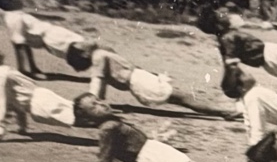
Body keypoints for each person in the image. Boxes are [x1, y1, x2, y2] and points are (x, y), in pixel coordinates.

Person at [72, 94, 270, 162]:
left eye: (98, 100)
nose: (101, 104)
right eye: (94, 107)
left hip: (156, 153)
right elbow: (104, 160)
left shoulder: (110, 122)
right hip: (155, 160)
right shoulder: (107, 128)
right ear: (89, 119)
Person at [63, 42, 236, 119]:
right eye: (81, 45)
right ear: (83, 53)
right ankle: (224, 112)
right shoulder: (98, 58)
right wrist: (92, 103)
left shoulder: (99, 52)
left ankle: (224, 111)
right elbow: (97, 84)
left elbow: (98, 48)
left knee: (184, 98)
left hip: (141, 78)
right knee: (185, 98)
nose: (85, 42)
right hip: (141, 82)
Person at [0, 42, 77, 139]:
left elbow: (15, 102)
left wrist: (22, 126)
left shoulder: (2, 71)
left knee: (77, 111)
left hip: (42, 99)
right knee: (77, 115)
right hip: (41, 104)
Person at [0, 0, 94, 78]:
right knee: (86, 48)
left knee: (85, 49)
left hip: (53, 36)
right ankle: (93, 65)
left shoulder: (15, 15)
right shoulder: (16, 18)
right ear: (8, 2)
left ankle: (91, 64)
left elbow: (23, 44)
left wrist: (32, 68)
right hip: (53, 37)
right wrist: (25, 70)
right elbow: (19, 44)